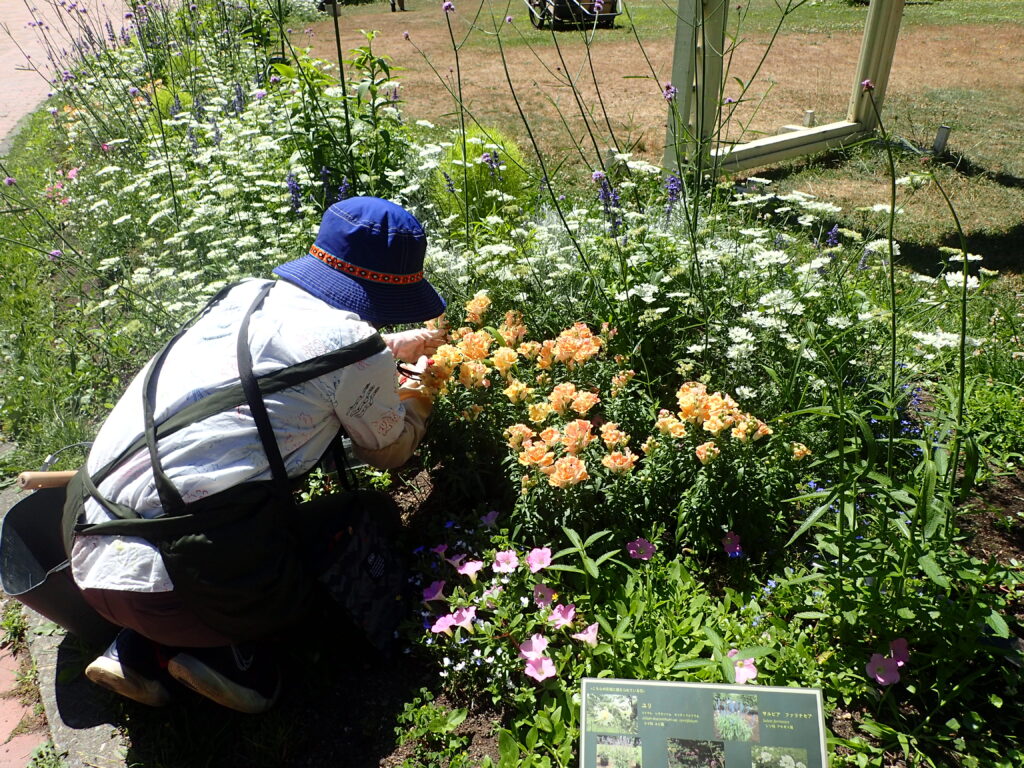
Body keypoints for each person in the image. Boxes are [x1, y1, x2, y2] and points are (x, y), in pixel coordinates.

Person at [62, 197, 446, 713]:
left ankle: (134, 647)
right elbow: (389, 453)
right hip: (188, 578)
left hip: (84, 538)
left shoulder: (244, 295)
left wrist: (384, 349)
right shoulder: (356, 347)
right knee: (357, 518)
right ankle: (236, 661)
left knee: (196, 513)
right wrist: (421, 398)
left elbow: (309, 351)